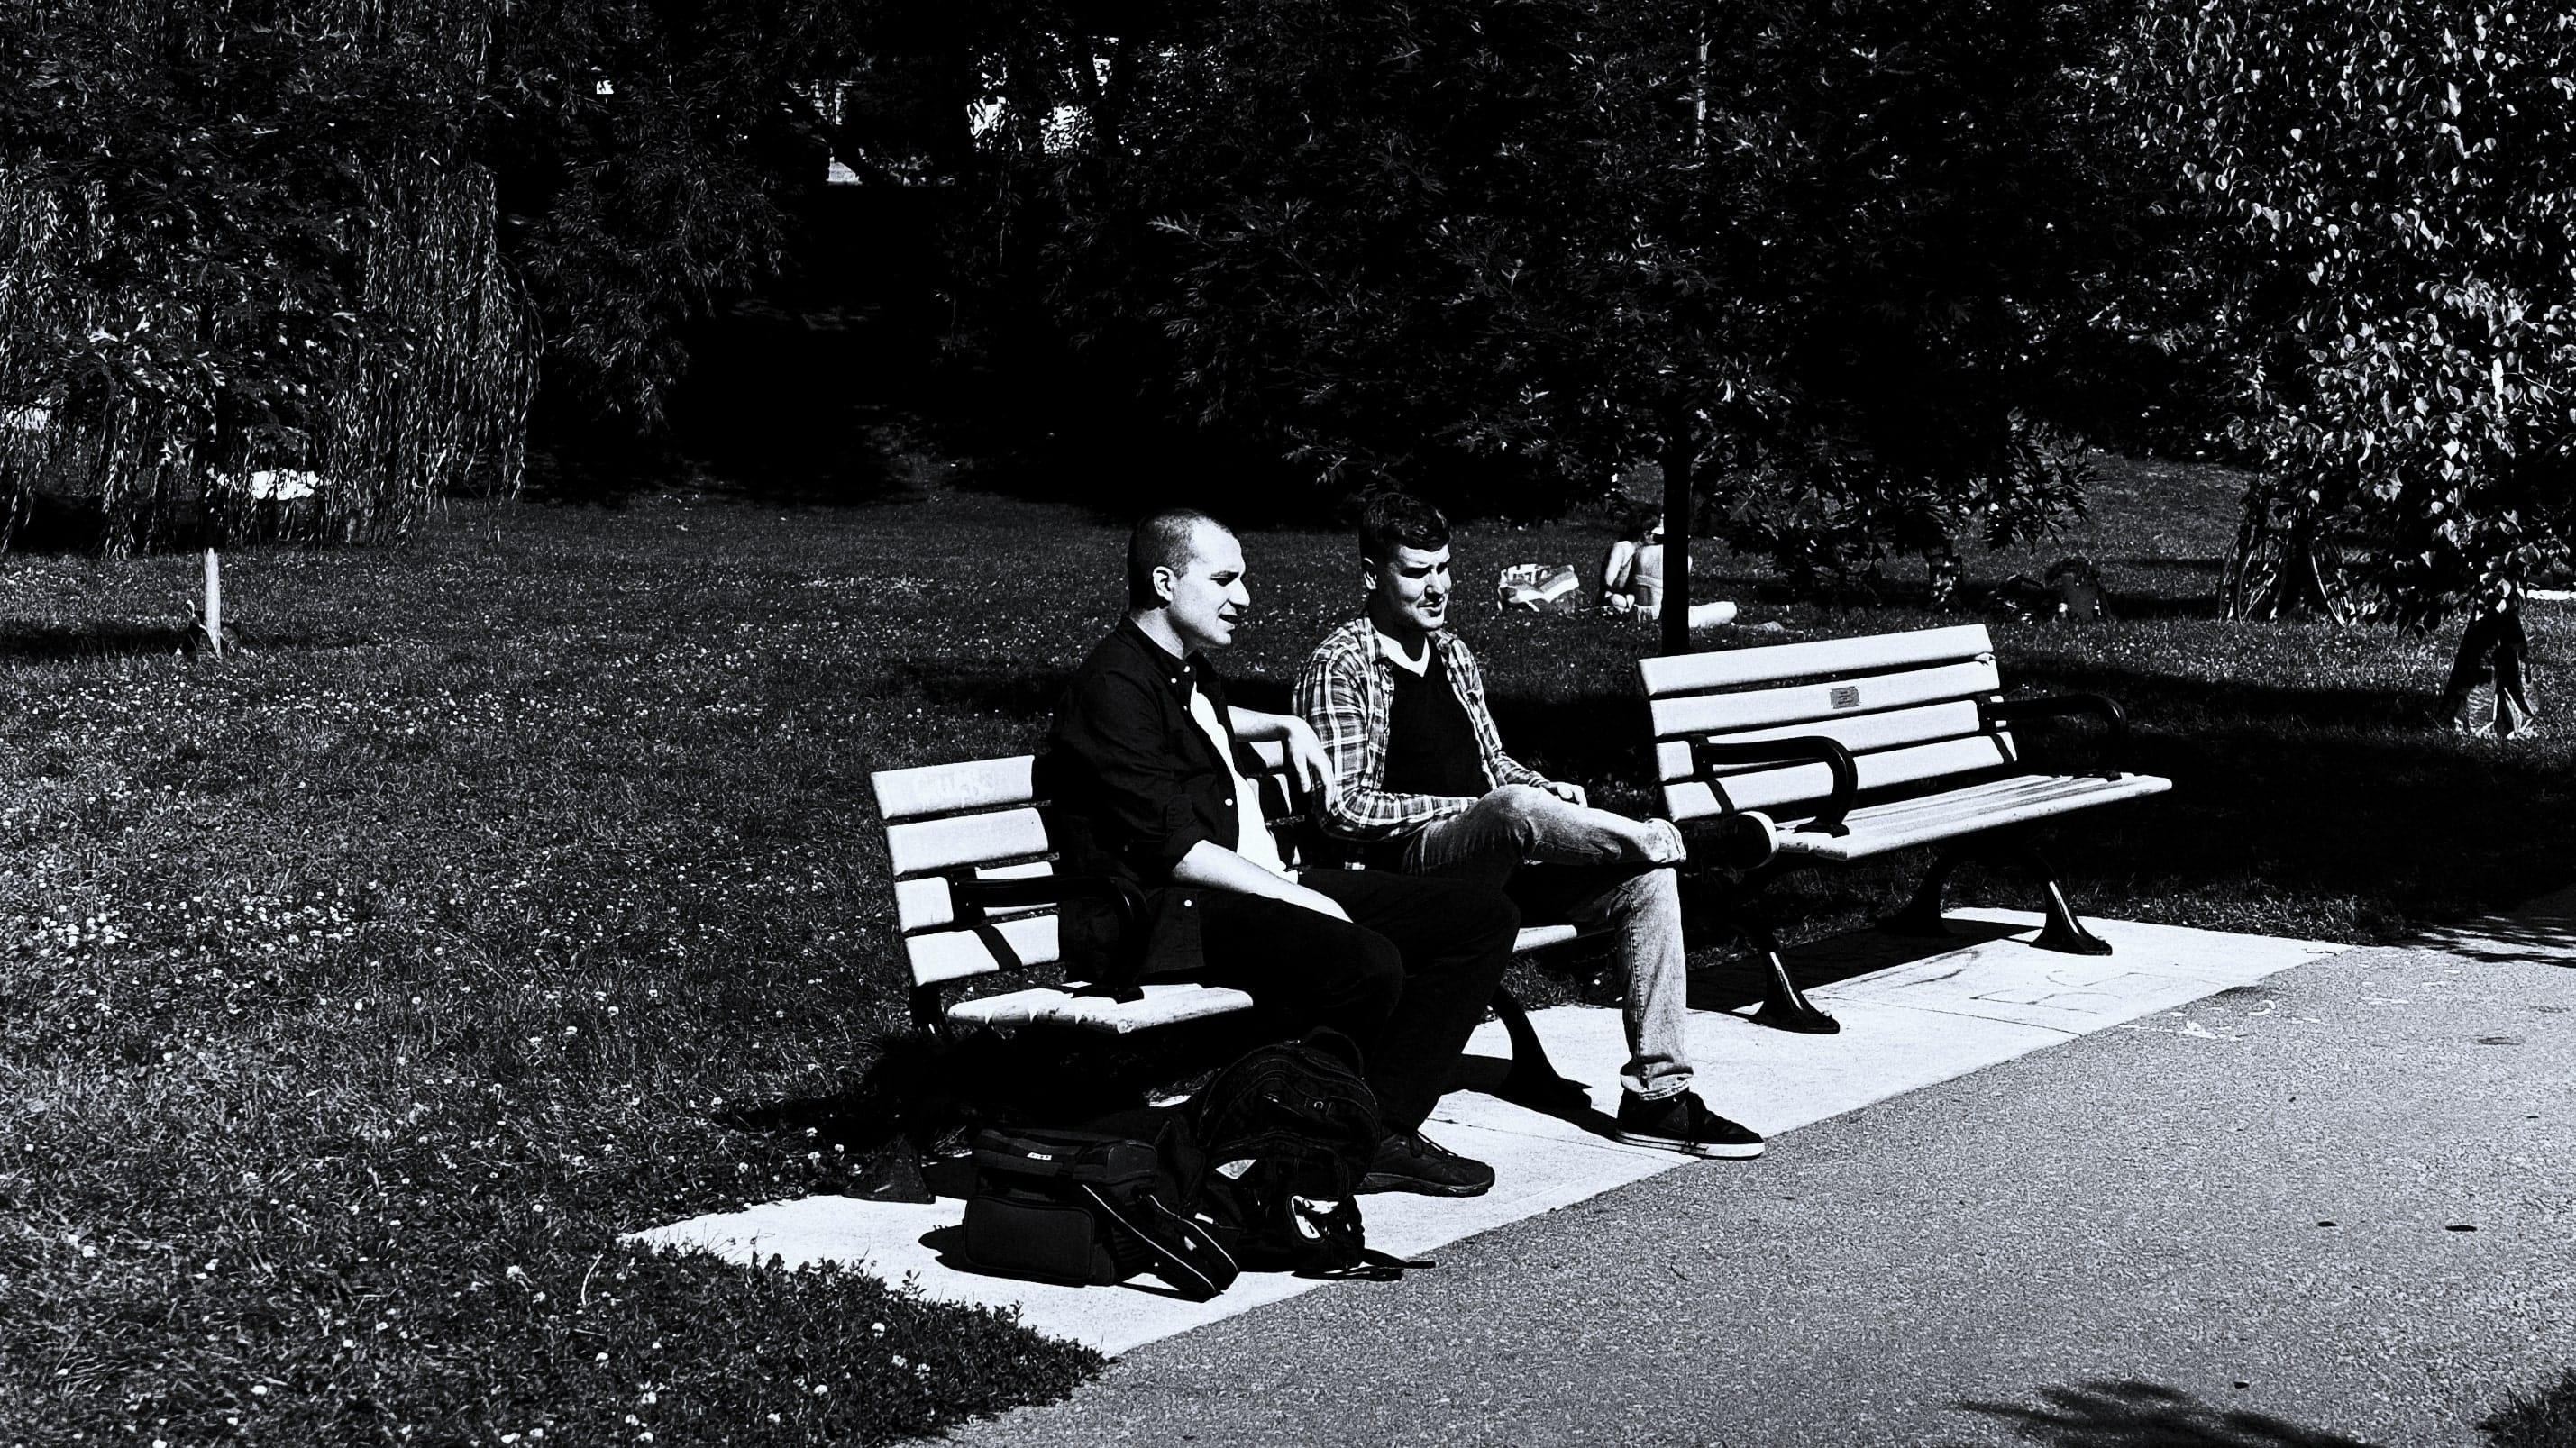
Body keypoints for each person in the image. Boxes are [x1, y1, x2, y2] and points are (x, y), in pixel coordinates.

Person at [1038, 508, 1521, 1197]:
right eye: (1226, 580)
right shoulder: (1112, 687)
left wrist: (1285, 723)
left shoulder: (1184, 672)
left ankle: (1374, 1125)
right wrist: (1299, 896)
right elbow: (1175, 849)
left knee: (1482, 919)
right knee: (1367, 961)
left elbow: (1197, 726)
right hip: (1165, 915)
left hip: (1238, 887)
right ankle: (1315, 1130)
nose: (1245, 598)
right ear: (1165, 581)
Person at [1295, 493, 1764, 1158]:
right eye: (1417, 572)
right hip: (1405, 874)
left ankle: (1657, 1095)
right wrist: (1482, 811)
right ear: (1373, 575)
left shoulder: (1452, 652)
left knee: (1645, 880)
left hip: (1495, 864)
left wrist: (1546, 791)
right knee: (1513, 810)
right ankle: (1662, 833)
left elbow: (1493, 760)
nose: (1438, 586)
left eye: (1446, 568)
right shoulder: (1341, 664)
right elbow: (1342, 807)